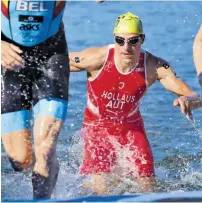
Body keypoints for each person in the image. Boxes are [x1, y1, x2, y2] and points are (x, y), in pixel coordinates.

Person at [69, 12, 199, 194]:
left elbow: (195, 96)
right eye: (120, 40)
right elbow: (56, 61)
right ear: (114, 39)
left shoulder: (154, 66)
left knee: (149, 189)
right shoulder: (97, 58)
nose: (126, 47)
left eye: (133, 41)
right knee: (100, 191)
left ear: (142, 39)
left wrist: (188, 100)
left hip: (131, 129)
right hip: (96, 128)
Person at [1, 1, 69, 199]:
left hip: (51, 57)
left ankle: (43, 195)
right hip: (8, 61)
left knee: (46, 149)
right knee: (20, 160)